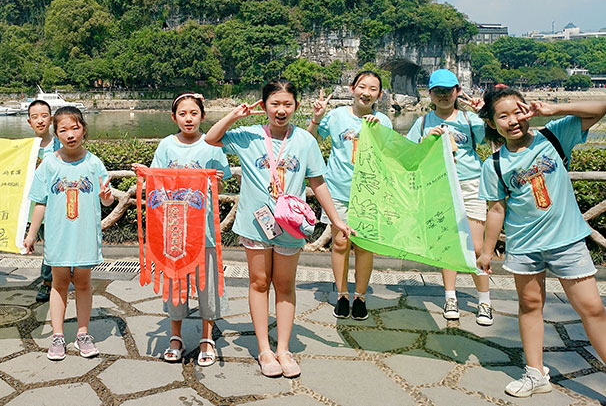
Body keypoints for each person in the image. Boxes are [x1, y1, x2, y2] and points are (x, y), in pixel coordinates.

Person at [205, 79, 353, 378]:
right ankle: (264, 349)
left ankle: (283, 348)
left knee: (285, 286)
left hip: (290, 225)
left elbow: (318, 182)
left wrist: (336, 220)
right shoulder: (248, 136)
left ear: (296, 106)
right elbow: (211, 138)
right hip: (255, 222)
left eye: (287, 104)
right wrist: (235, 115)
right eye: (275, 104)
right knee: (259, 282)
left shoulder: (305, 141)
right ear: (264, 106)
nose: (281, 110)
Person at [476, 87, 606, 397]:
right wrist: (485, 251)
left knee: (592, 308)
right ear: (493, 124)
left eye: (518, 111)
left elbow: (601, 108)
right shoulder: (494, 164)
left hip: (567, 241)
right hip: (524, 246)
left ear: (528, 110)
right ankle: (535, 374)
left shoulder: (555, 135)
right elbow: (496, 209)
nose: (513, 120)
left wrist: (553, 110)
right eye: (503, 116)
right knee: (530, 305)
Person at [131, 92, 231, 367]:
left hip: (204, 229)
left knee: (207, 285)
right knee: (175, 282)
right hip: (174, 229)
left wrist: (217, 181)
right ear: (174, 117)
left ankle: (207, 337)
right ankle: (175, 336)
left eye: (194, 113)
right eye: (183, 114)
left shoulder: (212, 145)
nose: (189, 119)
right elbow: (156, 184)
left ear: (203, 116)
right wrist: (145, 175)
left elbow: (219, 188)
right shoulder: (166, 146)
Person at [23, 106, 115, 360]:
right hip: (58, 236)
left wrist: (106, 197)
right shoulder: (49, 163)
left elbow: (106, 200)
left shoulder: (94, 163)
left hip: (84, 235)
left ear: (84, 129)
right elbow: (39, 202)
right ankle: (58, 336)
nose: (70, 134)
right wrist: (31, 235)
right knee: (59, 284)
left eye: (75, 128)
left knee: (84, 284)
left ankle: (83, 334)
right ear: (56, 133)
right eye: (63, 130)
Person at [406, 69, 493, 325]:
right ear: (430, 94)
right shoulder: (422, 123)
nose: (444, 95)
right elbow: (409, 156)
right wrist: (425, 141)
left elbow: (495, 136)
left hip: (470, 184)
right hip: (439, 185)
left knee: (476, 247)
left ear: (457, 91)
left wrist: (484, 113)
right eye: (438, 91)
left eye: (448, 90)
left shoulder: (468, 119)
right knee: (448, 245)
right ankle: (450, 296)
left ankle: (485, 300)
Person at [307, 71, 391, 321]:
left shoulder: (383, 121)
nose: (366, 92)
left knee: (364, 247)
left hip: (369, 193)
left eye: (373, 88)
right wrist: (316, 118)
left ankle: (360, 297)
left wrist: (378, 136)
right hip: (338, 190)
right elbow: (309, 141)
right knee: (341, 243)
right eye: (362, 86)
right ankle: (342, 294)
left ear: (380, 94)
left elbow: (391, 158)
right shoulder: (336, 116)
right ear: (352, 88)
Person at [24, 100, 61, 303]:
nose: (40, 120)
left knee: (51, 246)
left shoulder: (60, 145)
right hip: (32, 206)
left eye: (44, 115)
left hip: (55, 205)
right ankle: (52, 279)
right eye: (35, 117)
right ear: (29, 121)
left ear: (51, 119)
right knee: (44, 245)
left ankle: (48, 282)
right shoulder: (25, 148)